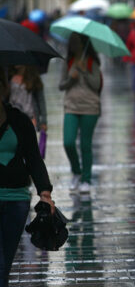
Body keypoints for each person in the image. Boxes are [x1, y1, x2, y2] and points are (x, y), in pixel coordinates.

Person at [0, 68, 55, 286]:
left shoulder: (19, 121)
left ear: (4, 88)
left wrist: (45, 193)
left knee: (5, 264)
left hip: (16, 200)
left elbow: (33, 159)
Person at [59, 33, 103, 194]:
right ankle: (76, 171)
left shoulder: (92, 62)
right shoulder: (68, 62)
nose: (75, 45)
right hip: (71, 106)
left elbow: (96, 85)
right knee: (68, 142)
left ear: (84, 44)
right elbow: (61, 85)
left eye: (78, 42)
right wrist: (71, 78)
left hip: (90, 107)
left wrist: (84, 71)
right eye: (73, 42)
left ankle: (86, 179)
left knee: (85, 144)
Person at [8, 65, 47, 133]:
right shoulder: (8, 76)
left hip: (30, 117)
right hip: (13, 117)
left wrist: (44, 121)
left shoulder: (33, 78)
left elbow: (41, 101)